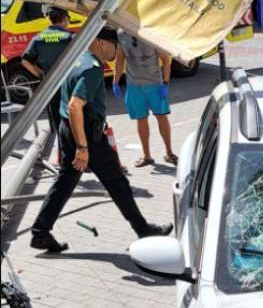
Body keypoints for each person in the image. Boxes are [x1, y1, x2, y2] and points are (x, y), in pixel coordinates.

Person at [30, 27, 171, 253]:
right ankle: (143, 230)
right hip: (87, 136)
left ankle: (40, 233)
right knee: (117, 183)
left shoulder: (75, 60)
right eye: (114, 47)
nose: (116, 52)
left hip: (68, 130)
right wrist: (83, 148)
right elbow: (76, 105)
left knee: (64, 183)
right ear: (100, 42)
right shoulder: (92, 69)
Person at [113, 31, 176, 168]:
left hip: (154, 85)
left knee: (161, 116)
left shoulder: (150, 33)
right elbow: (120, 59)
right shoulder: (121, 34)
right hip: (134, 86)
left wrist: (165, 83)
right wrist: (115, 81)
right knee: (141, 119)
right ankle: (147, 156)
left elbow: (166, 59)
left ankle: (169, 153)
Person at [21, 7, 73, 132]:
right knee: (73, 118)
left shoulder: (38, 38)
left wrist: (40, 73)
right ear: (65, 19)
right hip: (70, 83)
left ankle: (62, 146)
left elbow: (25, 61)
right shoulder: (69, 37)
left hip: (49, 84)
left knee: (57, 121)